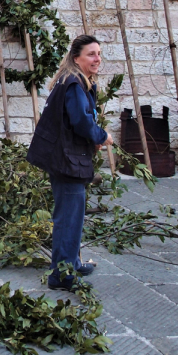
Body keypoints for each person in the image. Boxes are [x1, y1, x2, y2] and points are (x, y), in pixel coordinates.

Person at [27, 34, 111, 291]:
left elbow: (74, 120)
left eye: (98, 53)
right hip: (67, 160)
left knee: (72, 214)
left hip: (67, 156)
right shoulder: (74, 84)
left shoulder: (75, 81)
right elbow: (81, 122)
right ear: (77, 58)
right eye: (91, 54)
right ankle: (61, 275)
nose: (97, 59)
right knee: (69, 218)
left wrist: (91, 139)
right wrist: (101, 136)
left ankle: (71, 262)